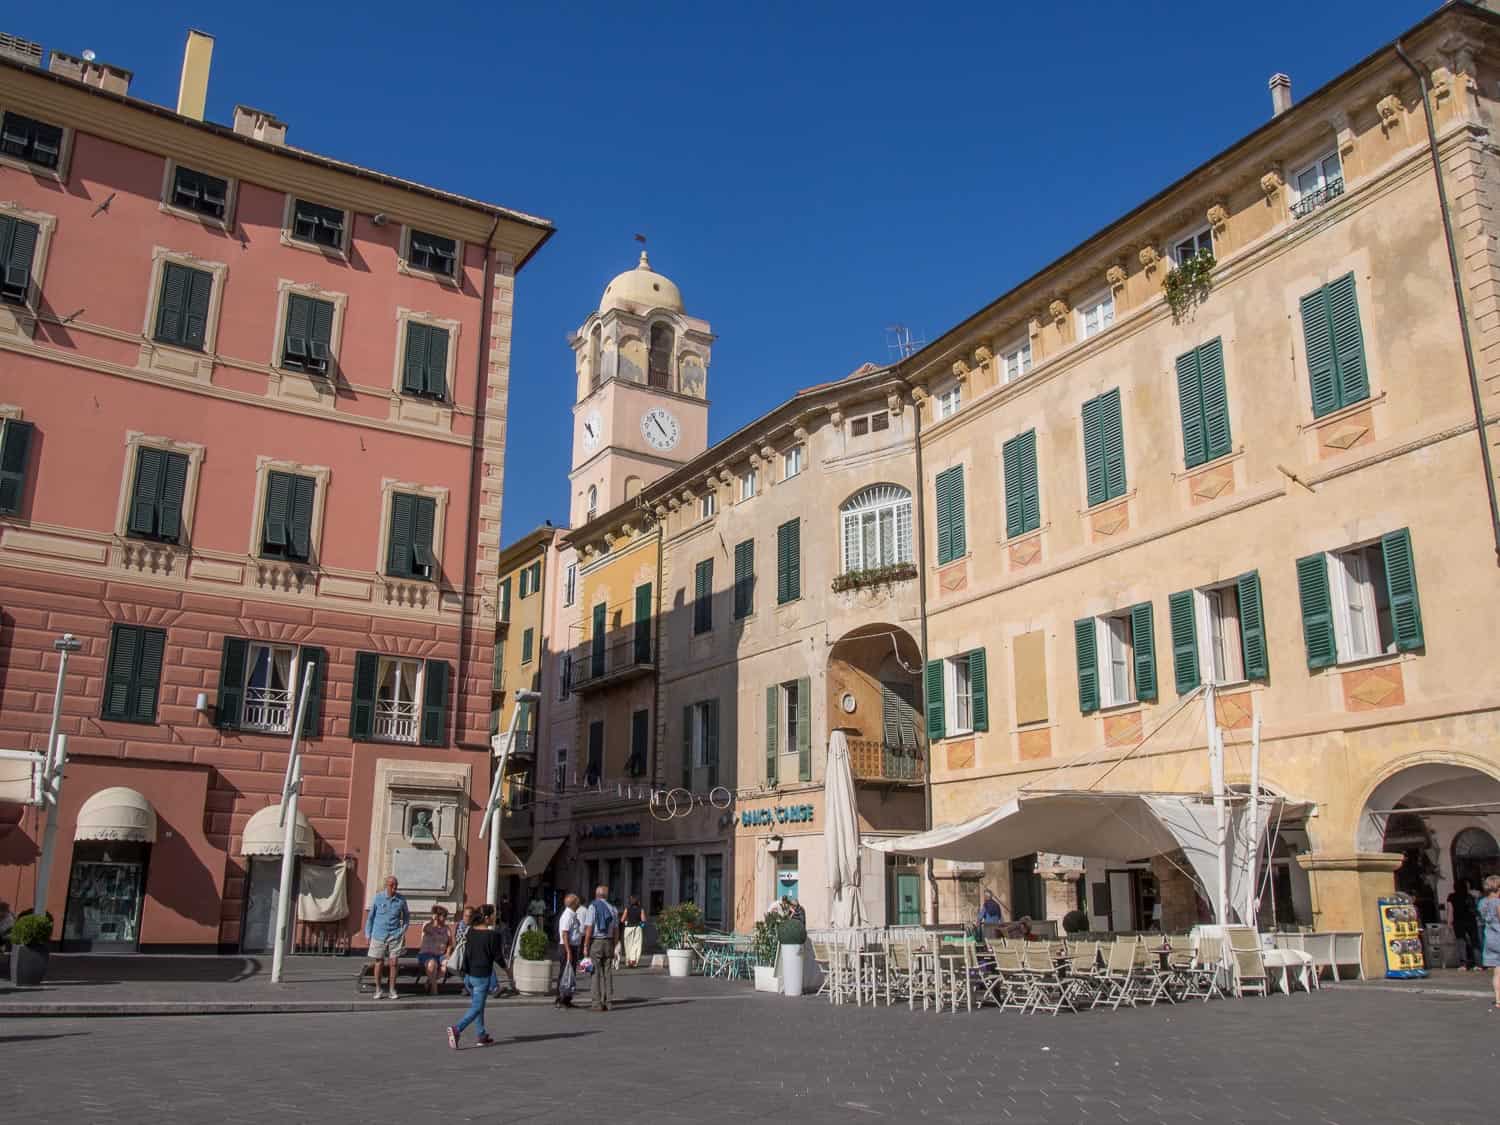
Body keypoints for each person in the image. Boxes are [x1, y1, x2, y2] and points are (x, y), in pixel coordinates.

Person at [446, 903, 504, 1049]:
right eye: (493, 914)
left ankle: (481, 1035)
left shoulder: (470, 931)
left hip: (468, 975)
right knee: (477, 1007)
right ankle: (457, 1029)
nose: (494, 917)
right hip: (482, 976)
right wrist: (508, 970)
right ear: (486, 917)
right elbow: (498, 957)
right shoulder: (493, 935)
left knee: (478, 1005)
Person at [365, 875, 410, 1000]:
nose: (394, 888)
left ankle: (392, 989)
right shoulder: (378, 898)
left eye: (396, 885)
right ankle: (378, 989)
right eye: (392, 885)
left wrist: (403, 929)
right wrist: (368, 934)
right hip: (378, 934)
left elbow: (406, 916)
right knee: (379, 962)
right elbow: (371, 917)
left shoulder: (401, 900)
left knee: (394, 963)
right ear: (386, 886)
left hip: (395, 935)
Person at [581, 884, 619, 1012]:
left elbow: (589, 927)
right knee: (607, 973)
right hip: (609, 942)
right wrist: (614, 945)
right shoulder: (613, 908)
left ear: (596, 895)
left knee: (595, 972)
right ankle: (608, 1002)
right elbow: (616, 929)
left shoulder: (593, 906)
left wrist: (586, 945)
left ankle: (596, 1003)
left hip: (596, 942)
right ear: (606, 895)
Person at [417, 905, 454, 995]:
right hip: (426, 954)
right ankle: (434, 989)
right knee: (432, 964)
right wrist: (434, 921)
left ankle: (429, 982)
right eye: (443, 916)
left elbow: (450, 943)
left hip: (441, 954)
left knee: (445, 968)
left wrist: (448, 953)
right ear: (437, 916)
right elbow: (426, 930)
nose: (445, 918)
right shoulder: (427, 925)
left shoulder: (447, 928)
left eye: (445, 916)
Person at [555, 893, 582, 1008]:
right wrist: (569, 951)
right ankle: (560, 999)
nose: (579, 903)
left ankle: (567, 999)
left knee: (570, 974)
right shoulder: (568, 915)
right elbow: (565, 933)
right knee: (564, 974)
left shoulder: (572, 914)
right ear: (574, 903)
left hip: (572, 946)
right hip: (567, 947)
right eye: (577, 901)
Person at [1449, 878, 1480, 971]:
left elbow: (1450, 910)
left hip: (1458, 921)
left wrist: (1449, 922)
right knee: (1474, 941)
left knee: (1461, 942)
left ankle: (1463, 964)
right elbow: (1474, 909)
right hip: (1471, 920)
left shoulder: (1452, 896)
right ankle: (1477, 964)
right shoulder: (1470, 896)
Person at [1480, 874, 1500, 1010]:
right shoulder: (1498, 903)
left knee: (1497, 973)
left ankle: (1498, 1000)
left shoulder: (1482, 902)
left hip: (1490, 938)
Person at [622, 895, 647, 968]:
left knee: (628, 945)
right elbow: (643, 920)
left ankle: (629, 960)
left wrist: (626, 921)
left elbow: (622, 920)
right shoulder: (641, 909)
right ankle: (634, 960)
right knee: (636, 945)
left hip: (628, 928)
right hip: (637, 928)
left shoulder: (627, 908)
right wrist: (641, 925)